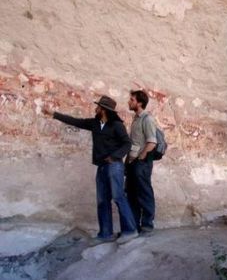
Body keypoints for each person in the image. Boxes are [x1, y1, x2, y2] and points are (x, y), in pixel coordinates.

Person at [43, 95, 138, 245]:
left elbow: (127, 144)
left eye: (98, 107)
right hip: (101, 167)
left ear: (104, 110)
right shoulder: (95, 123)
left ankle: (130, 231)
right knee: (102, 201)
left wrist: (114, 157)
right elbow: (75, 121)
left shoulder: (116, 125)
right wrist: (54, 114)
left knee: (118, 197)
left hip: (114, 166)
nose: (96, 108)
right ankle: (105, 234)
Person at [126, 90, 157, 234]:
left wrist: (141, 157)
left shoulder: (147, 119)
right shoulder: (136, 119)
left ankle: (147, 225)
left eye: (132, 100)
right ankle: (134, 226)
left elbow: (152, 142)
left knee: (144, 193)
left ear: (139, 103)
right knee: (132, 194)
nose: (129, 102)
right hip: (132, 162)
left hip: (141, 163)